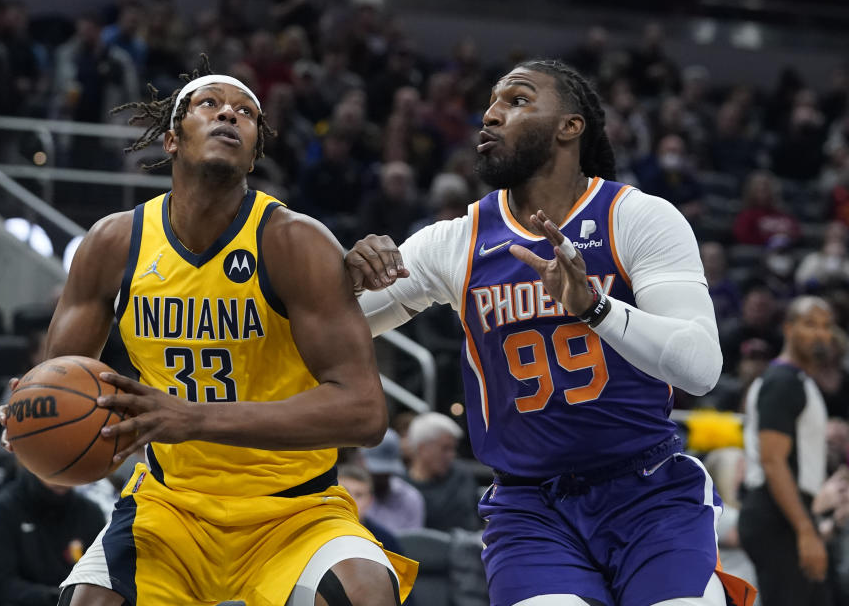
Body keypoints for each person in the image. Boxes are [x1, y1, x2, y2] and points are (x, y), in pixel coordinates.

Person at [0, 57, 416, 606]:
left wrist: (190, 417)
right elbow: (63, 381)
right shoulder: (113, 244)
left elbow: (364, 414)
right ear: (172, 139)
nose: (229, 115)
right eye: (209, 105)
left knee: (365, 591)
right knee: (91, 601)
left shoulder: (295, 242)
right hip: (170, 507)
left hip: (293, 509)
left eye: (246, 113)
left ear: (254, 152)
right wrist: (37, 412)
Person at [346, 59, 754, 605]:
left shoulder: (637, 218)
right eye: (491, 102)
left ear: (570, 125)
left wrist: (595, 308)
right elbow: (338, 321)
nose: (490, 114)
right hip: (529, 508)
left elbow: (701, 368)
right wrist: (346, 275)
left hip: (648, 494)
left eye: (516, 100)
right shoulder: (454, 242)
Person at [739, 296, 835, 606]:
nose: (820, 333)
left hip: (788, 513)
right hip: (777, 513)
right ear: (788, 329)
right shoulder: (783, 381)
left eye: (825, 326)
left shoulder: (796, 380)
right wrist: (806, 531)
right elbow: (773, 460)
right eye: (810, 324)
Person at [0, 470, 106, 606]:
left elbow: (103, 576)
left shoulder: (91, 513)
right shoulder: (2, 510)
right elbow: (1, 586)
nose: (61, 470)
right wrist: (60, 598)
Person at [402, 412, 480, 532]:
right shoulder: (401, 488)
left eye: (453, 448)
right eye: (445, 448)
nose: (452, 455)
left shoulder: (462, 477)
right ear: (422, 449)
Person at [359, 429, 425, 533]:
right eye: (375, 472)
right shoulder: (350, 492)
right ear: (360, 461)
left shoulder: (410, 497)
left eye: (386, 472)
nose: (380, 476)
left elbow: (413, 544)